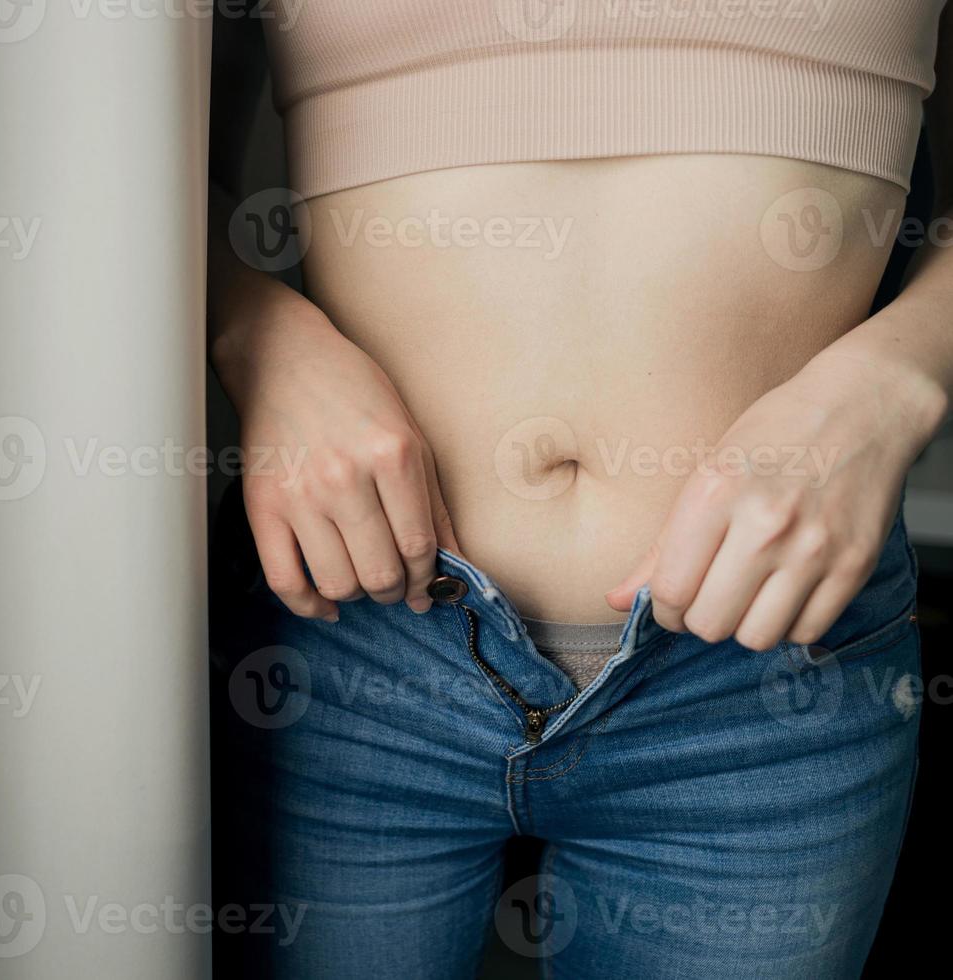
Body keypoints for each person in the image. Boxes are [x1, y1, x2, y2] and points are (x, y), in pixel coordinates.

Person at [207, 2, 952, 976]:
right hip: (349, 634)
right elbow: (96, 148)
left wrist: (896, 379)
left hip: (767, 667)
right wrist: (257, 337)